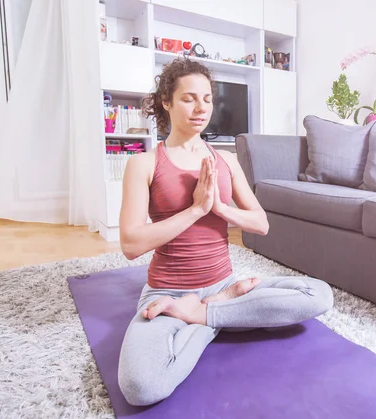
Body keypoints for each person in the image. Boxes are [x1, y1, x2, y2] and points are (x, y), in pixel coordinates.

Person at [116, 58, 334, 406]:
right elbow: (130, 244)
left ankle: (204, 312)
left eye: (207, 98)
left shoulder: (227, 161)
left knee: (319, 295)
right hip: (167, 293)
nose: (201, 107)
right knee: (141, 386)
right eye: (189, 98)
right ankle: (215, 315)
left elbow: (260, 223)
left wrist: (218, 208)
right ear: (166, 102)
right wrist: (195, 210)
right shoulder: (143, 163)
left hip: (222, 284)